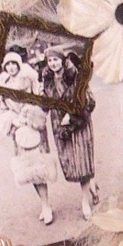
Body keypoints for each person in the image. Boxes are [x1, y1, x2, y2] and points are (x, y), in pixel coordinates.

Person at [0, 51, 57, 225]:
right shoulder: (3, 84)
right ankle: (45, 204)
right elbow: (3, 109)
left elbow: (40, 101)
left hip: (33, 127)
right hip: (19, 131)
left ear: (19, 64)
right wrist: (13, 120)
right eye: (8, 64)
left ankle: (46, 205)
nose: (11, 67)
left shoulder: (29, 78)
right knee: (28, 169)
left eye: (13, 64)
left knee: (39, 167)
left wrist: (29, 115)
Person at [41, 47, 99, 220]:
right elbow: (45, 105)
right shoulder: (47, 80)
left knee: (82, 163)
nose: (53, 63)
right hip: (60, 127)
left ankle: (85, 201)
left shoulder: (75, 75)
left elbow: (90, 101)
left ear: (63, 59)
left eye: (56, 59)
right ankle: (92, 184)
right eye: (50, 60)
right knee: (71, 164)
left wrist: (72, 115)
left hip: (79, 125)